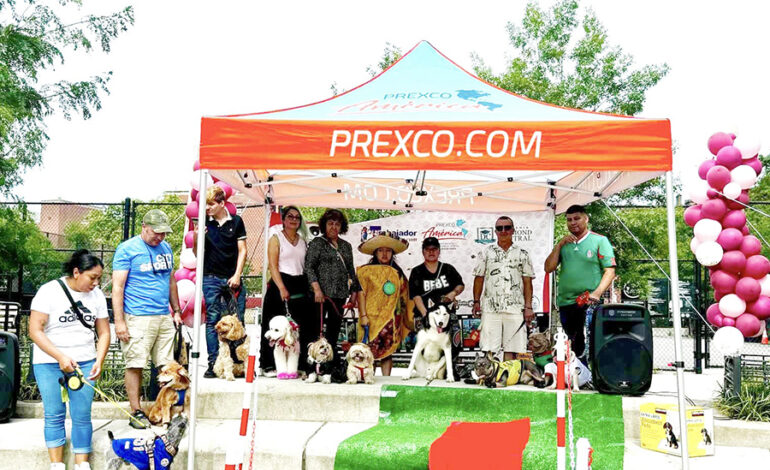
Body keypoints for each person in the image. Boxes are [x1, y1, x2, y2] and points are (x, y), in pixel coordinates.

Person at [29, 250, 110, 470]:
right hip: (49, 361)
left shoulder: (97, 296)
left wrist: (99, 360)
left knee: (82, 413)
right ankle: (57, 465)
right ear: (76, 272)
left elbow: (103, 332)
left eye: (99, 278)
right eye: (92, 277)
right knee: (54, 413)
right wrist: (60, 356)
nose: (96, 283)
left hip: (84, 362)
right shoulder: (49, 291)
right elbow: (35, 330)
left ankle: (81, 464)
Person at [113, 209, 183, 429]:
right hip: (137, 316)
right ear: (144, 227)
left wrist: (177, 310)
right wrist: (120, 322)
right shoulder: (127, 249)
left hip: (163, 315)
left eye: (163, 233)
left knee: (167, 366)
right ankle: (136, 410)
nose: (160, 237)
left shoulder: (166, 248)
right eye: (156, 232)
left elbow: (171, 281)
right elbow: (118, 287)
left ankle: (165, 409)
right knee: (136, 364)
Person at [544, 204, 616, 358]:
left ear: (586, 219)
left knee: (592, 342)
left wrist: (596, 293)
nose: (573, 222)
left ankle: (592, 376)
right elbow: (548, 268)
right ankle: (576, 376)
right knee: (572, 343)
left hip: (589, 302)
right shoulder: (564, 244)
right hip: (566, 302)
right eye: (569, 220)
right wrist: (559, 245)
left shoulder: (599, 240)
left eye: (577, 218)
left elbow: (610, 271)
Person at [194, 186, 248, 378]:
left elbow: (242, 250)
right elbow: (196, 253)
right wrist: (197, 235)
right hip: (210, 278)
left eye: (211, 204)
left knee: (238, 320)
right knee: (213, 321)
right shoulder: (203, 223)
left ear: (222, 203)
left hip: (232, 277)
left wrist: (237, 274)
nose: (207, 208)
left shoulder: (237, 222)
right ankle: (213, 363)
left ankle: (238, 362)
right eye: (204, 205)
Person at [472, 216, 535, 361]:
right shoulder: (486, 252)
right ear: (495, 231)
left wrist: (528, 307)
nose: (503, 231)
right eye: (499, 228)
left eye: (507, 227)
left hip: (515, 307)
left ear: (513, 230)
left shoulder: (523, 254)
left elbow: (527, 282)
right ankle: (491, 377)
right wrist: (476, 301)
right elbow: (479, 278)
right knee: (489, 348)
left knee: (513, 348)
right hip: (490, 308)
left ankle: (509, 378)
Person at [259, 206, 311, 377]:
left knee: (297, 327)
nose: (294, 219)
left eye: (297, 217)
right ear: (284, 219)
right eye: (290, 216)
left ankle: (297, 365)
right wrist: (281, 287)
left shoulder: (303, 241)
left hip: (299, 285)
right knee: (274, 327)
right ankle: (268, 365)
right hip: (279, 283)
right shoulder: (276, 238)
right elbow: (272, 266)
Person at [305, 209, 361, 359]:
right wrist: (316, 290)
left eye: (337, 224)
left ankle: (330, 363)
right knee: (316, 331)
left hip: (340, 295)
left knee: (334, 331)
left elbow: (351, 271)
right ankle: (313, 364)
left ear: (342, 227)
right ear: (324, 225)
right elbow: (308, 267)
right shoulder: (317, 243)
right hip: (320, 296)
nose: (334, 227)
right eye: (330, 223)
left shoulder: (346, 246)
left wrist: (354, 295)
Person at [356, 233, 411, 376]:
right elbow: (361, 293)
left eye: (388, 250)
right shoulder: (365, 271)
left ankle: (387, 381)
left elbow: (405, 297)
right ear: (375, 253)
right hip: (370, 318)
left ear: (393, 253)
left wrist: (406, 319)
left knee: (387, 352)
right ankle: (369, 379)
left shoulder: (397, 273)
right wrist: (363, 315)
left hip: (391, 319)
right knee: (368, 352)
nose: (384, 254)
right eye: (381, 250)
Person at [408, 237, 464, 326]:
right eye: (428, 249)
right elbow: (416, 296)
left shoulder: (448, 269)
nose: (431, 252)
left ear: (439, 251)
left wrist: (454, 293)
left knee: (452, 339)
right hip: (425, 315)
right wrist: (426, 316)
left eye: (434, 249)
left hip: (447, 316)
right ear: (423, 252)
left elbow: (460, 285)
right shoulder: (417, 271)